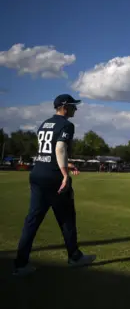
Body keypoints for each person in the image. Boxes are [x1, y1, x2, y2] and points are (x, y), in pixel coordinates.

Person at [13, 94, 96, 276]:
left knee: (32, 221)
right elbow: (59, 148)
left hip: (37, 174)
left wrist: (67, 163)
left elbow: (47, 151)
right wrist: (65, 174)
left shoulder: (44, 124)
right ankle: (74, 257)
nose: (76, 109)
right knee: (66, 218)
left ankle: (20, 264)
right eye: (73, 106)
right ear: (64, 106)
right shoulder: (67, 125)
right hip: (54, 177)